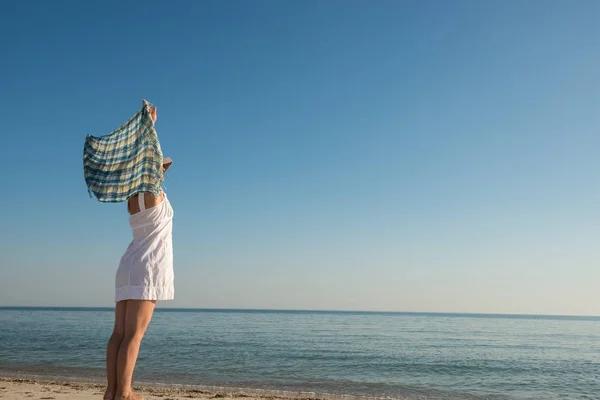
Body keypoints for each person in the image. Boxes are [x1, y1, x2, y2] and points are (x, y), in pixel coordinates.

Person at [103, 106, 175, 400]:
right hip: (148, 267)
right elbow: (149, 155)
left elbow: (147, 162)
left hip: (129, 264)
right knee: (134, 336)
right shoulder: (153, 194)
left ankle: (112, 391)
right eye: (160, 166)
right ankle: (124, 393)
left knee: (119, 333)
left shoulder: (133, 198)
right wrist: (150, 125)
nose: (163, 169)